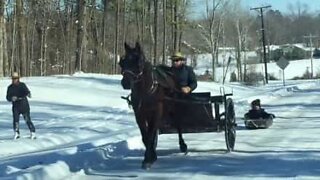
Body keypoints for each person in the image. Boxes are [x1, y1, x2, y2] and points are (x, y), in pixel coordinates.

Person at [6, 72, 36, 140]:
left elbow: (27, 92)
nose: (14, 80)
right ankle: (16, 133)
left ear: (18, 79)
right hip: (15, 107)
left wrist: (28, 94)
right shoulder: (10, 87)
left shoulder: (22, 85)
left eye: (16, 78)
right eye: (13, 78)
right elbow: (7, 97)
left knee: (27, 119)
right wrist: (11, 98)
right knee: (16, 120)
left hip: (24, 105)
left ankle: (32, 132)